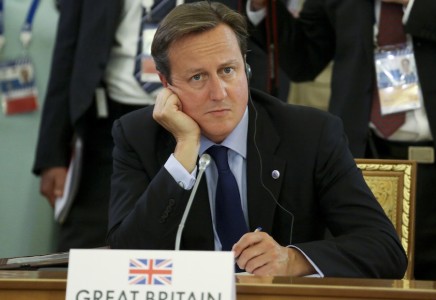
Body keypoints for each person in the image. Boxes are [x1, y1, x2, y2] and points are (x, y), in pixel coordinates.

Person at [107, 2, 406, 278]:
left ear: (245, 68)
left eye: (228, 70)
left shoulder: (310, 134)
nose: (219, 93)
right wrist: (184, 151)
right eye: (198, 77)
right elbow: (124, 261)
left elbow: (385, 250)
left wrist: (292, 260)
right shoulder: (137, 136)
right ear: (166, 84)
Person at [32, 0, 288, 252]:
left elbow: (245, 45)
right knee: (90, 248)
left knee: (203, 238)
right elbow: (67, 51)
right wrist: (52, 153)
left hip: (206, 114)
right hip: (107, 120)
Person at [247, 0, 436, 280]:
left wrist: (413, 5)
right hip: (364, 162)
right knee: (369, 279)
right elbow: (304, 59)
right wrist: (264, 8)